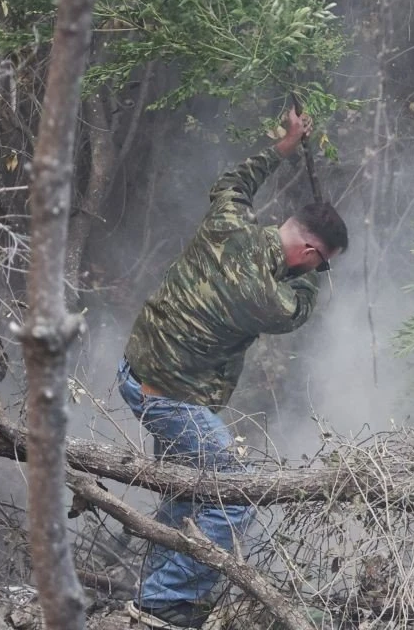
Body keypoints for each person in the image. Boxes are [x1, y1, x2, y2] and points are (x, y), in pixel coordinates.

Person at [120, 107, 348, 630]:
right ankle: (166, 604)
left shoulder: (228, 221)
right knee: (234, 497)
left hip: (138, 372)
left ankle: (154, 600)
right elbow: (297, 313)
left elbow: (232, 182)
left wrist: (286, 144)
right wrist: (315, 278)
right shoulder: (266, 293)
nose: (317, 271)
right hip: (168, 395)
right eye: (322, 261)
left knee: (188, 493)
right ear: (310, 252)